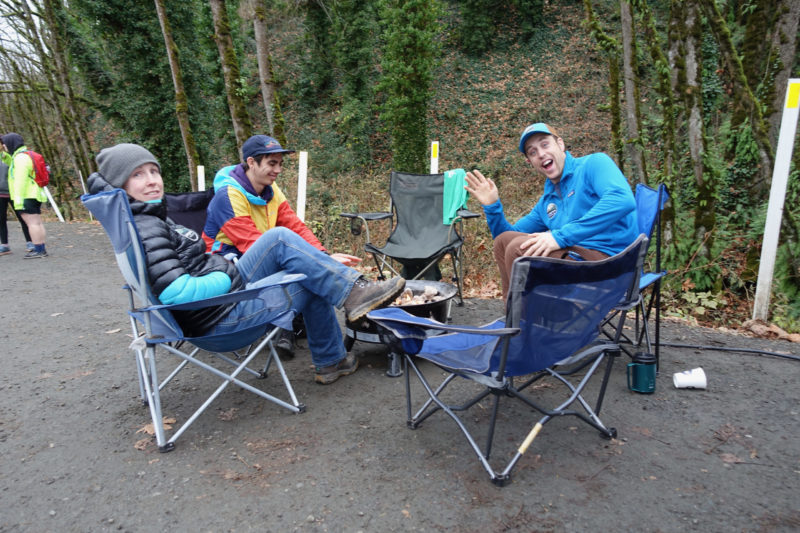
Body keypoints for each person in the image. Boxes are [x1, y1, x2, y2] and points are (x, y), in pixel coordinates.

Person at [88, 143, 406, 384]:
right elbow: (177, 293)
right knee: (298, 265)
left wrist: (320, 257)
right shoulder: (147, 227)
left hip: (215, 300)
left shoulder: (143, 218)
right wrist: (228, 277)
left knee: (284, 240)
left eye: (154, 171)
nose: (152, 180)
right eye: (138, 174)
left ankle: (351, 302)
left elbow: (293, 225)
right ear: (120, 184)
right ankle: (338, 340)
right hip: (219, 316)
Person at [203, 134, 362, 359]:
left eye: (280, 164)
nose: (278, 170)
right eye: (271, 163)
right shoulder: (227, 196)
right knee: (285, 245)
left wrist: (322, 256)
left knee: (311, 275)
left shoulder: (271, 190)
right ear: (251, 162)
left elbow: (296, 227)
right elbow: (252, 245)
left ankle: (331, 361)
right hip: (226, 279)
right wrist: (316, 263)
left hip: (256, 265)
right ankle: (355, 294)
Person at [465, 122, 637, 299]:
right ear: (530, 162)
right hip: (577, 261)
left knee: (518, 249)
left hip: (612, 263)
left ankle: (526, 321)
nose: (540, 154)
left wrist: (559, 237)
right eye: (532, 152)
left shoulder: (594, 164)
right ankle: (518, 319)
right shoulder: (547, 203)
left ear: (560, 144)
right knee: (503, 241)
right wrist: (492, 206)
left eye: (545, 144)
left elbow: (622, 199)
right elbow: (509, 235)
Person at [1, 133, 46, 258]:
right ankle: (41, 247)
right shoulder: (25, 155)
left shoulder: (20, 159)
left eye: (5, 143)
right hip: (34, 194)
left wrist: (18, 201)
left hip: (26, 196)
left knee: (32, 224)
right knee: (37, 223)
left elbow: (20, 181)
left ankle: (38, 249)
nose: (4, 146)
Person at [0, 158, 34, 255]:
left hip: (14, 192)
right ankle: (5, 245)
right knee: (1, 220)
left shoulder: (10, 156)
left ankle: (30, 242)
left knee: (23, 218)